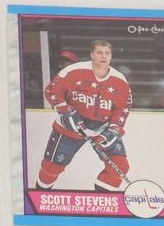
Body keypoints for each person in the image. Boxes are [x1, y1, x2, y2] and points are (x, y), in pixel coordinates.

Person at [35, 39, 132, 192]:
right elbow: (52, 90)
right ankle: (40, 195)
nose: (103, 56)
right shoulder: (74, 71)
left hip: (102, 129)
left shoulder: (120, 80)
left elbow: (123, 107)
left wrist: (114, 129)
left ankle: (101, 202)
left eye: (107, 53)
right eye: (99, 52)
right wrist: (65, 110)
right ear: (91, 55)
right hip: (72, 127)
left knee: (119, 167)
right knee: (51, 168)